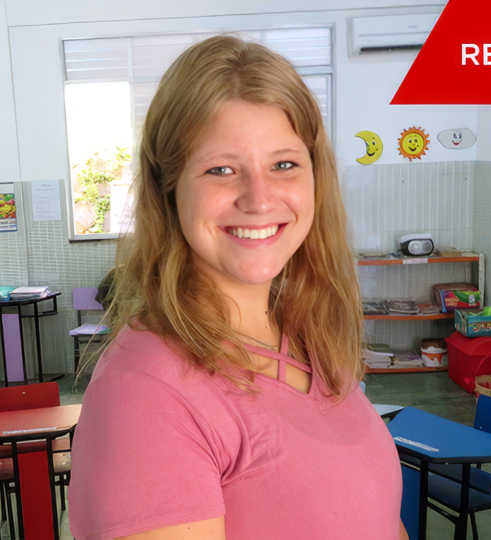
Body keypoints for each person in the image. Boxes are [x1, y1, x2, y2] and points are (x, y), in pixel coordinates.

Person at [68, 35, 406, 540]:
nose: (259, 198)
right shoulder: (146, 393)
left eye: (284, 164)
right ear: (169, 186)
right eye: (221, 169)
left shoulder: (307, 334)